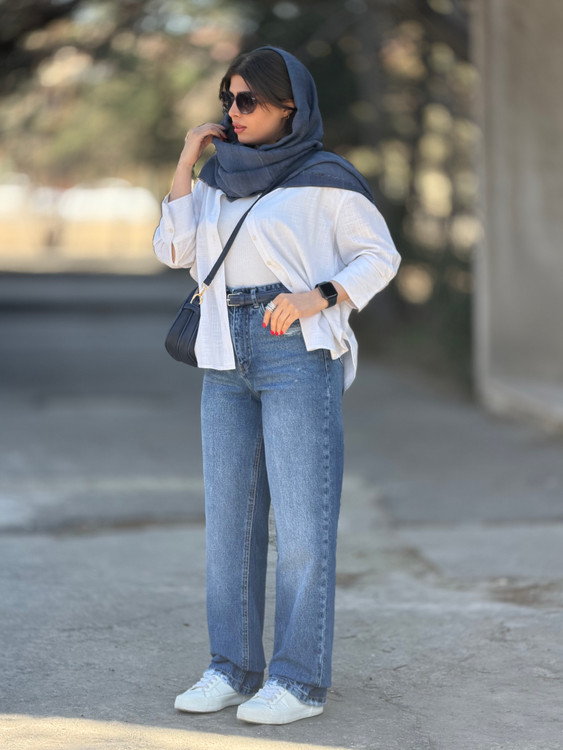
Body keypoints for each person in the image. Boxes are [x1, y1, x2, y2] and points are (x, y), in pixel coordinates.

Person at [153, 46, 400, 726]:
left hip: (295, 352)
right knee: (229, 526)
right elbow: (173, 251)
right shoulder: (215, 178)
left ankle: (298, 681)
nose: (232, 112)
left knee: (300, 529)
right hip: (222, 352)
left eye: (247, 101)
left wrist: (320, 295)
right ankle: (230, 668)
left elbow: (379, 256)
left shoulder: (326, 179)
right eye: (227, 99)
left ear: (290, 108)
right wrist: (187, 159)